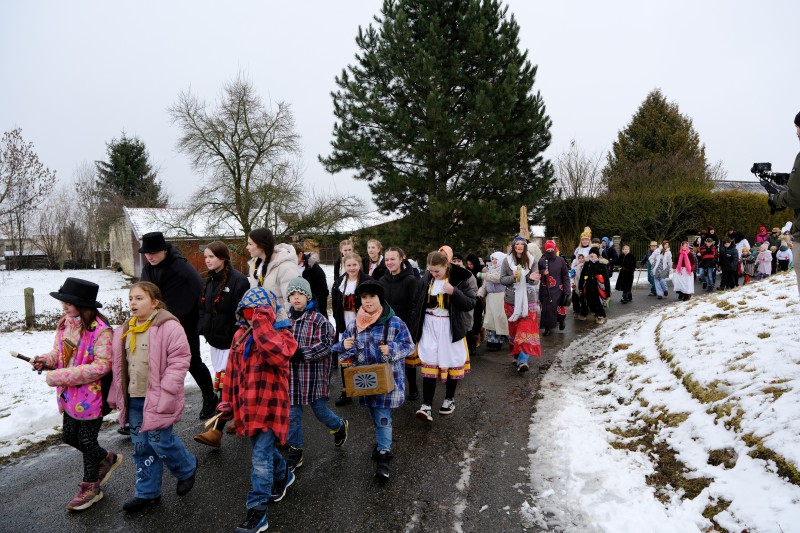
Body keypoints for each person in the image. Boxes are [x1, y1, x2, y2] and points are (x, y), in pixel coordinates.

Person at [32, 278, 121, 511]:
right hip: (69, 395)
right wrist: (46, 360)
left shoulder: (101, 331)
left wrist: (60, 376)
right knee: (69, 437)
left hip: (92, 396)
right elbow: (59, 352)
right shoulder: (65, 323)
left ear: (84, 304)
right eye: (63, 302)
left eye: (69, 303)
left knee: (86, 440)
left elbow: (102, 366)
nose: (64, 306)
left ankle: (91, 487)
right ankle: (107, 458)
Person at [108, 282, 198, 513]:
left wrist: (168, 388)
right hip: (135, 399)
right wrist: (116, 393)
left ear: (154, 302)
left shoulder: (168, 326)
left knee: (160, 441)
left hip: (158, 397)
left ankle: (186, 467)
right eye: (131, 299)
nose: (133, 303)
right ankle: (147, 493)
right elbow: (119, 367)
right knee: (141, 447)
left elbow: (180, 359)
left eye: (139, 298)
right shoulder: (125, 329)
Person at [218, 287, 298, 533]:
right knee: (261, 451)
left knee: (260, 458)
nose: (253, 317)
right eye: (249, 312)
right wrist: (227, 401)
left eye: (260, 313)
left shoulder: (283, 336)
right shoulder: (239, 336)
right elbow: (231, 371)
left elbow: (278, 356)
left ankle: (257, 511)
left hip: (270, 407)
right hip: (247, 407)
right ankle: (284, 474)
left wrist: (262, 323)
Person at [332, 280, 414, 481]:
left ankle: (384, 456)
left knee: (383, 417)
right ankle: (381, 443)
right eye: (364, 298)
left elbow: (409, 345)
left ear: (380, 298)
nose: (367, 302)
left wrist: (392, 349)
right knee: (375, 415)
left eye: (372, 297)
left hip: (387, 381)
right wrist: (344, 345)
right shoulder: (355, 324)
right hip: (365, 381)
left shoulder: (394, 322)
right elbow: (344, 352)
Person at [138, 231, 216, 419]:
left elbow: (199, 289)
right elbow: (144, 294)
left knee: (192, 362)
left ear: (164, 250)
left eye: (153, 252)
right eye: (146, 253)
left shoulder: (180, 266)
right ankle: (153, 408)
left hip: (184, 322)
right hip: (156, 324)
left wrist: (200, 318)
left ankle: (210, 397)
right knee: (156, 365)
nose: (149, 256)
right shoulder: (148, 269)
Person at [285, 277, 348, 473]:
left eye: (300, 294)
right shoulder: (285, 321)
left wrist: (301, 352)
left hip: (313, 376)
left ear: (308, 296)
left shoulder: (319, 320)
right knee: (292, 415)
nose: (296, 298)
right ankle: (295, 451)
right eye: (293, 295)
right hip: (292, 378)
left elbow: (326, 345)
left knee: (319, 410)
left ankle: (339, 426)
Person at [193, 241, 250, 448]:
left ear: (223, 257)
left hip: (232, 343)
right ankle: (240, 416)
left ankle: (215, 432)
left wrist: (235, 336)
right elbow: (202, 308)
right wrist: (203, 327)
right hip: (215, 342)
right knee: (228, 385)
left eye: (211, 256)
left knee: (225, 388)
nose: (207, 260)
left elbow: (242, 314)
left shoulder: (239, 281)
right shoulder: (206, 280)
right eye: (205, 256)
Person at [410, 250, 476, 420]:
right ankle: (426, 406)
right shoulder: (426, 279)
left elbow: (470, 304)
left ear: (446, 266)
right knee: (430, 363)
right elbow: (416, 303)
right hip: (430, 327)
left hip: (450, 327)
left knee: (451, 361)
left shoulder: (461, 277)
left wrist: (454, 292)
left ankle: (449, 399)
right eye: (431, 271)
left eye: (437, 271)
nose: (434, 274)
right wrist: (414, 328)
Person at [491, 236, 542, 372]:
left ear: (525, 246)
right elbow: (502, 280)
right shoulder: (507, 262)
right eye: (517, 244)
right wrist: (514, 277)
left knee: (525, 330)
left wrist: (530, 278)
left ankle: (523, 361)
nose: (519, 246)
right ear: (513, 246)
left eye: (522, 244)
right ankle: (516, 353)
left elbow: (535, 281)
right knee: (514, 331)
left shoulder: (532, 261)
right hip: (511, 301)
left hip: (529, 301)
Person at [379, 246, 422, 400]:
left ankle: (413, 387)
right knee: (389, 356)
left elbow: (414, 307)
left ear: (401, 259)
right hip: (387, 327)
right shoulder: (382, 281)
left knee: (408, 360)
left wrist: (411, 330)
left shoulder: (411, 281)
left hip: (405, 327)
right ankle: (391, 385)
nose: (389, 262)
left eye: (393, 259)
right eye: (387, 259)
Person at [331, 252, 373, 406]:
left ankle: (368, 390)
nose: (352, 268)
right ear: (344, 266)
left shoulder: (367, 281)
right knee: (345, 356)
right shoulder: (339, 283)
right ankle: (346, 391)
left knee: (365, 355)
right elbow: (336, 305)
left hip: (363, 322)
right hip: (345, 322)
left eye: (354, 264)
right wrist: (339, 322)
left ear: (359, 265)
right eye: (348, 265)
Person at [246, 228, 297, 324]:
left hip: (279, 326)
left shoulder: (286, 267)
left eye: (250, 244)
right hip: (260, 325)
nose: (247, 247)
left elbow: (292, 301)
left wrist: (285, 327)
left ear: (261, 245)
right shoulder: (254, 267)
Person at [477, 251, 509, 351]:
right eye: (493, 259)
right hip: (490, 298)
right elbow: (485, 285)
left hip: (500, 297)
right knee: (490, 319)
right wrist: (479, 294)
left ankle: (499, 340)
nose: (494, 261)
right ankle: (491, 341)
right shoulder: (490, 270)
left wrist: (483, 275)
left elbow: (497, 279)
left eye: (496, 259)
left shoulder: (504, 270)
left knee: (499, 319)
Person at [538, 240, 570, 335]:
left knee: (558, 307)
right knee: (547, 309)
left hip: (558, 288)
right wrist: (543, 272)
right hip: (545, 288)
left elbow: (565, 275)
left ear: (555, 248)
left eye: (552, 249)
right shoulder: (541, 260)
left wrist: (567, 290)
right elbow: (537, 272)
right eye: (548, 249)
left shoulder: (560, 260)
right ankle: (548, 327)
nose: (550, 251)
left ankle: (561, 320)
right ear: (545, 249)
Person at [292, 243, 330, 317]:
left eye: (292, 257)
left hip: (313, 308)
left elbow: (323, 292)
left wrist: (316, 307)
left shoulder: (314, 269)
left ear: (300, 254)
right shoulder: (290, 268)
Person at [578, 247, 608, 323]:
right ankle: (594, 313)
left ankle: (600, 316)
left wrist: (607, 291)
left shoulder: (601, 264)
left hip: (598, 286)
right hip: (589, 285)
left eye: (594, 253)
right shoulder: (587, 264)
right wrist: (580, 287)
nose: (592, 254)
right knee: (589, 301)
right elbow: (582, 276)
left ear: (597, 255)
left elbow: (606, 278)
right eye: (590, 253)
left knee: (598, 301)